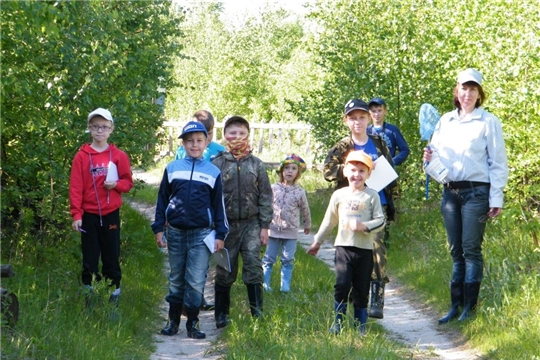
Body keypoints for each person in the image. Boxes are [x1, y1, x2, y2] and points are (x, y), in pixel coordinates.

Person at [423, 68, 508, 324]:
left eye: (473, 89)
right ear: (456, 92)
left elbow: (498, 163)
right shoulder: (444, 121)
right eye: (464, 88)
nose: (468, 94)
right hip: (450, 192)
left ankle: (469, 309)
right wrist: (427, 161)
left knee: (471, 249)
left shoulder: (488, 122)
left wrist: (496, 198)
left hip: (477, 192)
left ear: (479, 94)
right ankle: (454, 307)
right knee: (455, 251)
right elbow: (433, 161)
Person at [151, 121, 229, 339]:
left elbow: (218, 205)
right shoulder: (173, 168)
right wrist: (159, 228)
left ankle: (193, 324)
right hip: (175, 232)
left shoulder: (213, 172)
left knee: (195, 280)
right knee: (176, 278)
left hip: (201, 234)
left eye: (199, 141)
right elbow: (162, 200)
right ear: (183, 143)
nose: (194, 145)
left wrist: (220, 233)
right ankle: (172, 321)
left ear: (207, 143)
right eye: (190, 141)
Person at [323, 98, 396, 319]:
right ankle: (354, 300)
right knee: (355, 255)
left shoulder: (379, 142)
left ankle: (376, 299)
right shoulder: (342, 146)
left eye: (362, 117)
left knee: (378, 250)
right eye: (353, 118)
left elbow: (390, 171)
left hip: (377, 203)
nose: (358, 122)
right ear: (346, 121)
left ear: (369, 118)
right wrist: (353, 170)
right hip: (352, 208)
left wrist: (392, 202)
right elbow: (327, 171)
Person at [307, 150, 385, 335]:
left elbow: (380, 220)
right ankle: (338, 323)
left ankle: (360, 326)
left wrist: (363, 225)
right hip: (343, 247)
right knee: (342, 285)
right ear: (345, 172)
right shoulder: (339, 195)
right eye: (353, 170)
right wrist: (317, 242)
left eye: (361, 171)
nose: (356, 174)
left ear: (368, 174)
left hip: (364, 250)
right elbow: (329, 221)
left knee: (361, 288)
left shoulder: (371, 196)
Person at [211, 115, 273, 329]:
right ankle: (221, 315)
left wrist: (265, 226)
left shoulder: (257, 164)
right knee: (224, 269)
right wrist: (213, 228)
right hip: (225, 226)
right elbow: (210, 198)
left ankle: (257, 315)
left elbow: (265, 195)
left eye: (241, 133)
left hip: (252, 224)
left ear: (248, 136)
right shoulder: (216, 163)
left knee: (254, 266)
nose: (236, 137)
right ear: (224, 135)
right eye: (232, 133)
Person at [69, 108, 134, 306]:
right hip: (88, 215)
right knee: (89, 259)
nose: (100, 131)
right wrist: (76, 214)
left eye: (104, 127)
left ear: (111, 129)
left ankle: (113, 298)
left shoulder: (118, 155)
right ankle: (89, 299)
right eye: (96, 126)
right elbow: (76, 187)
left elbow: (127, 182)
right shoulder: (81, 156)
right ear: (89, 128)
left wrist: (115, 186)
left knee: (111, 257)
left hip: (110, 215)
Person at [173, 109, 225, 311]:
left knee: (200, 260)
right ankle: (184, 301)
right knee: (182, 262)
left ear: (210, 134)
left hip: (208, 212)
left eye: (204, 133)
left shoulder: (219, 151)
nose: (195, 143)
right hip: (184, 211)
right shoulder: (182, 152)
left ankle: (197, 296)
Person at [262, 154, 311, 293]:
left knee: (288, 259)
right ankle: (265, 284)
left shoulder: (300, 192)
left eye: (294, 168)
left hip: (290, 231)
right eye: (287, 168)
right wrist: (263, 224)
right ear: (281, 171)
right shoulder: (273, 188)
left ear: (298, 173)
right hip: (273, 229)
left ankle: (285, 287)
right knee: (268, 258)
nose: (290, 171)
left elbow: (305, 209)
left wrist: (307, 224)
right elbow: (266, 206)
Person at [367, 97, 410, 167]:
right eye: (373, 111)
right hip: (370, 170)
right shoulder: (366, 131)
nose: (376, 114)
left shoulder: (392, 130)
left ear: (385, 111)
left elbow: (405, 150)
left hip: (388, 171)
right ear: (369, 113)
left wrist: (392, 161)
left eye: (379, 110)